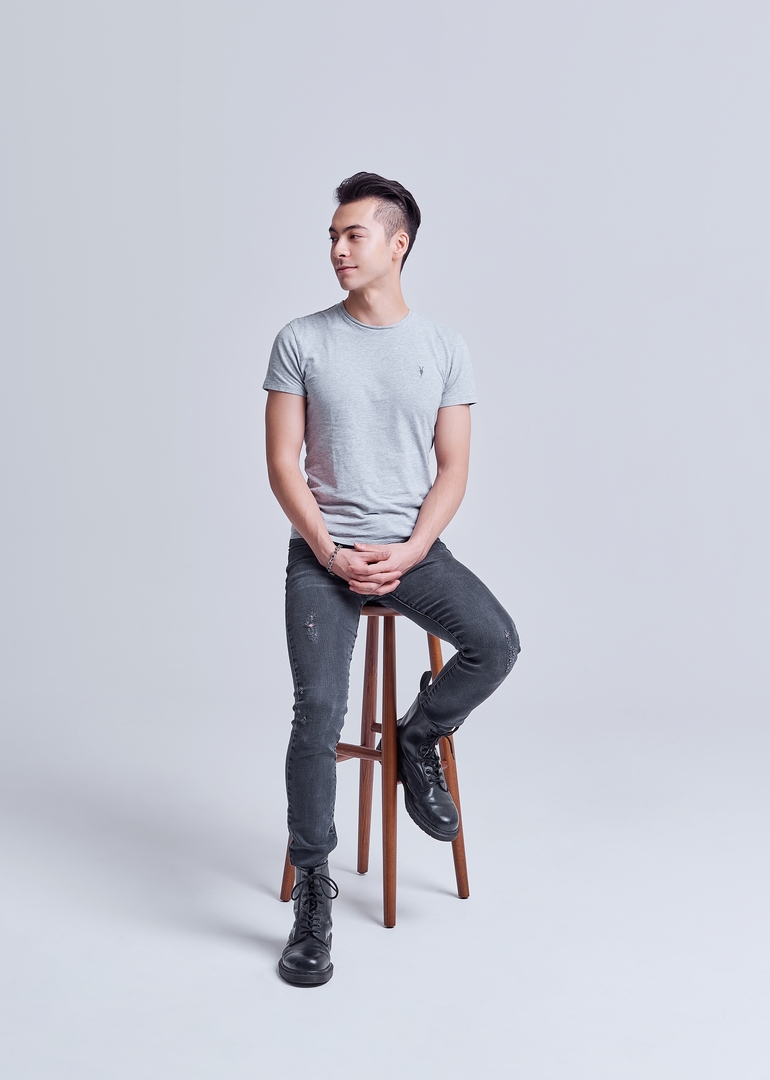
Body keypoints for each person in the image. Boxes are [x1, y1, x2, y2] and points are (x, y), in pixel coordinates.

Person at [263, 172, 520, 987]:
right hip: (325, 555)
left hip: (413, 551)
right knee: (318, 712)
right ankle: (314, 892)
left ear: (397, 244)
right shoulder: (301, 340)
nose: (338, 249)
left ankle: (418, 735)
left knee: (497, 644)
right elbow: (282, 464)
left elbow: (454, 471)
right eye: (333, 237)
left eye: (354, 235)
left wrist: (411, 550)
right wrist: (329, 548)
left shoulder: (444, 348)